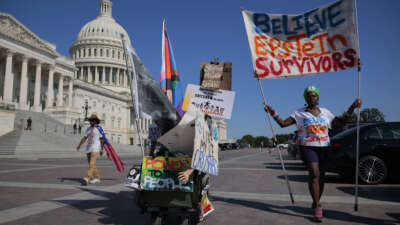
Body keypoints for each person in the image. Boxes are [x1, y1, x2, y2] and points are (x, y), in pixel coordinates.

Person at [264, 86, 361, 221]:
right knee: (314, 174)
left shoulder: (326, 112)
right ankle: (318, 205)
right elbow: (283, 124)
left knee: (321, 177)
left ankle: (315, 200)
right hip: (308, 147)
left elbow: (342, 122)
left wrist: (352, 107)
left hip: (324, 147)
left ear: (318, 97)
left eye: (314, 95)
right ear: (305, 98)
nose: (311, 97)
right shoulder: (299, 113)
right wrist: (272, 112)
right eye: (309, 95)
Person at [76, 114, 104, 185]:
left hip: (95, 148)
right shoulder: (88, 129)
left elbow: (102, 139)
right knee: (92, 165)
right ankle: (97, 178)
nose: (91, 122)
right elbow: (85, 137)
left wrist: (101, 149)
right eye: (90, 120)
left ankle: (86, 178)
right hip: (88, 148)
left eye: (92, 120)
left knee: (92, 164)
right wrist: (79, 145)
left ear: (96, 121)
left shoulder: (99, 128)